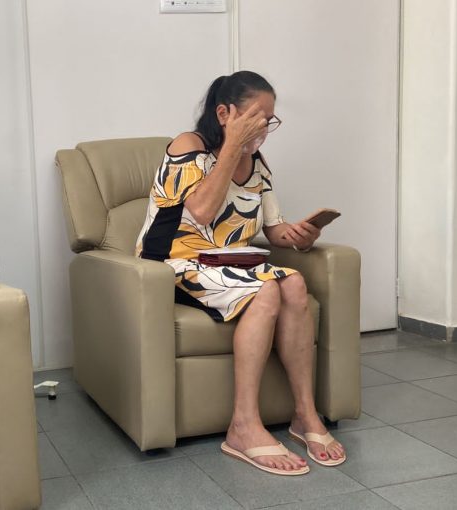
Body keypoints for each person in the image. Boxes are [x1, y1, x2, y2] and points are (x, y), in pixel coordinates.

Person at [136, 71, 346, 476]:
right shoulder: (188, 147)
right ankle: (243, 427)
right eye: (255, 119)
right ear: (224, 114)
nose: (263, 129)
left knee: (295, 282)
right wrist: (233, 145)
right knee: (267, 290)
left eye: (269, 121)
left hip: (234, 264)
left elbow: (274, 230)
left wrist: (301, 235)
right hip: (175, 263)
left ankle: (305, 414)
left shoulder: (258, 165)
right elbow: (201, 212)